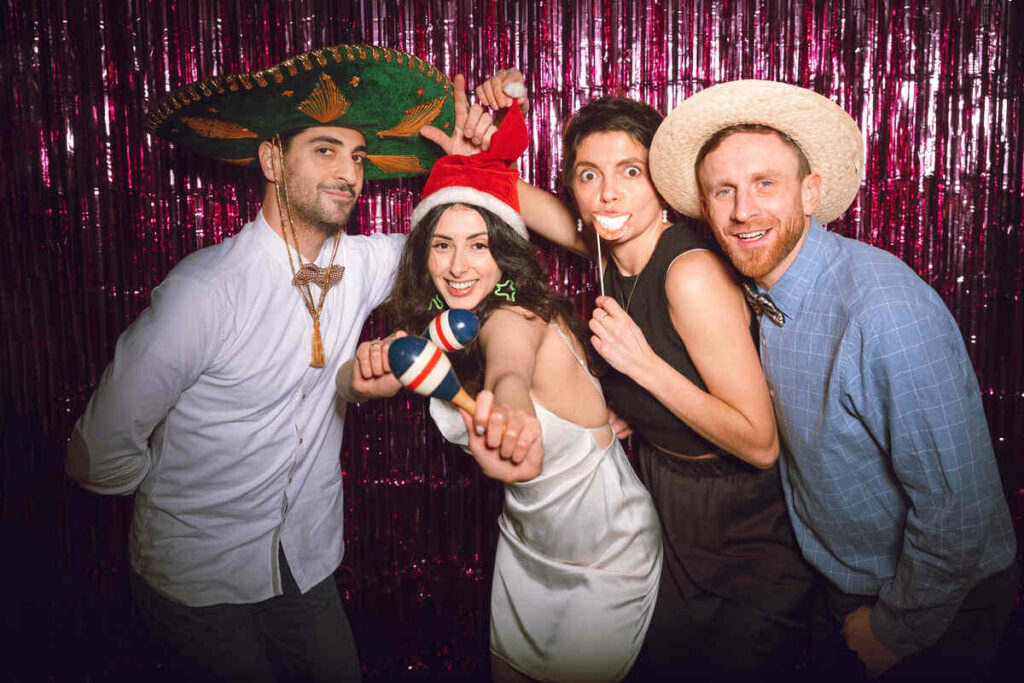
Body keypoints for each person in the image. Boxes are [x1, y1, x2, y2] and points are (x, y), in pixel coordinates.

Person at [65, 45, 481, 681]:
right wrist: (184, 503)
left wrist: (467, 166)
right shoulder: (204, 293)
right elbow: (97, 454)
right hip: (197, 578)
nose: (348, 171)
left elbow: (454, 251)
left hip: (304, 559)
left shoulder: (363, 263)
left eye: (358, 155)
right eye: (324, 150)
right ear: (271, 160)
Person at [647, 78, 1018, 681]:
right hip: (839, 587)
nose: (743, 210)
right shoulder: (759, 288)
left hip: (931, 605)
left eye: (766, 184)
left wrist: (894, 629)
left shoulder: (881, 311)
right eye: (724, 191)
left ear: (811, 192)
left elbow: (959, 517)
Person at [473, 71, 815, 680]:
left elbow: (761, 445)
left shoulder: (689, 274)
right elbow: (499, 188)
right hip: (665, 495)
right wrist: (488, 125)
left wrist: (643, 371)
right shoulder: (608, 248)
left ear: (661, 185)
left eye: (630, 172)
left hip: (738, 521)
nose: (607, 194)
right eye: (588, 175)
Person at [338, 105, 662, 683]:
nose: (459, 265)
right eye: (441, 246)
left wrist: (509, 403)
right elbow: (354, 388)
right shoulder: (436, 332)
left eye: (479, 245)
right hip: (526, 549)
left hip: (605, 559)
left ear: (504, 254)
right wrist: (358, 376)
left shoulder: (517, 315)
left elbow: (509, 369)